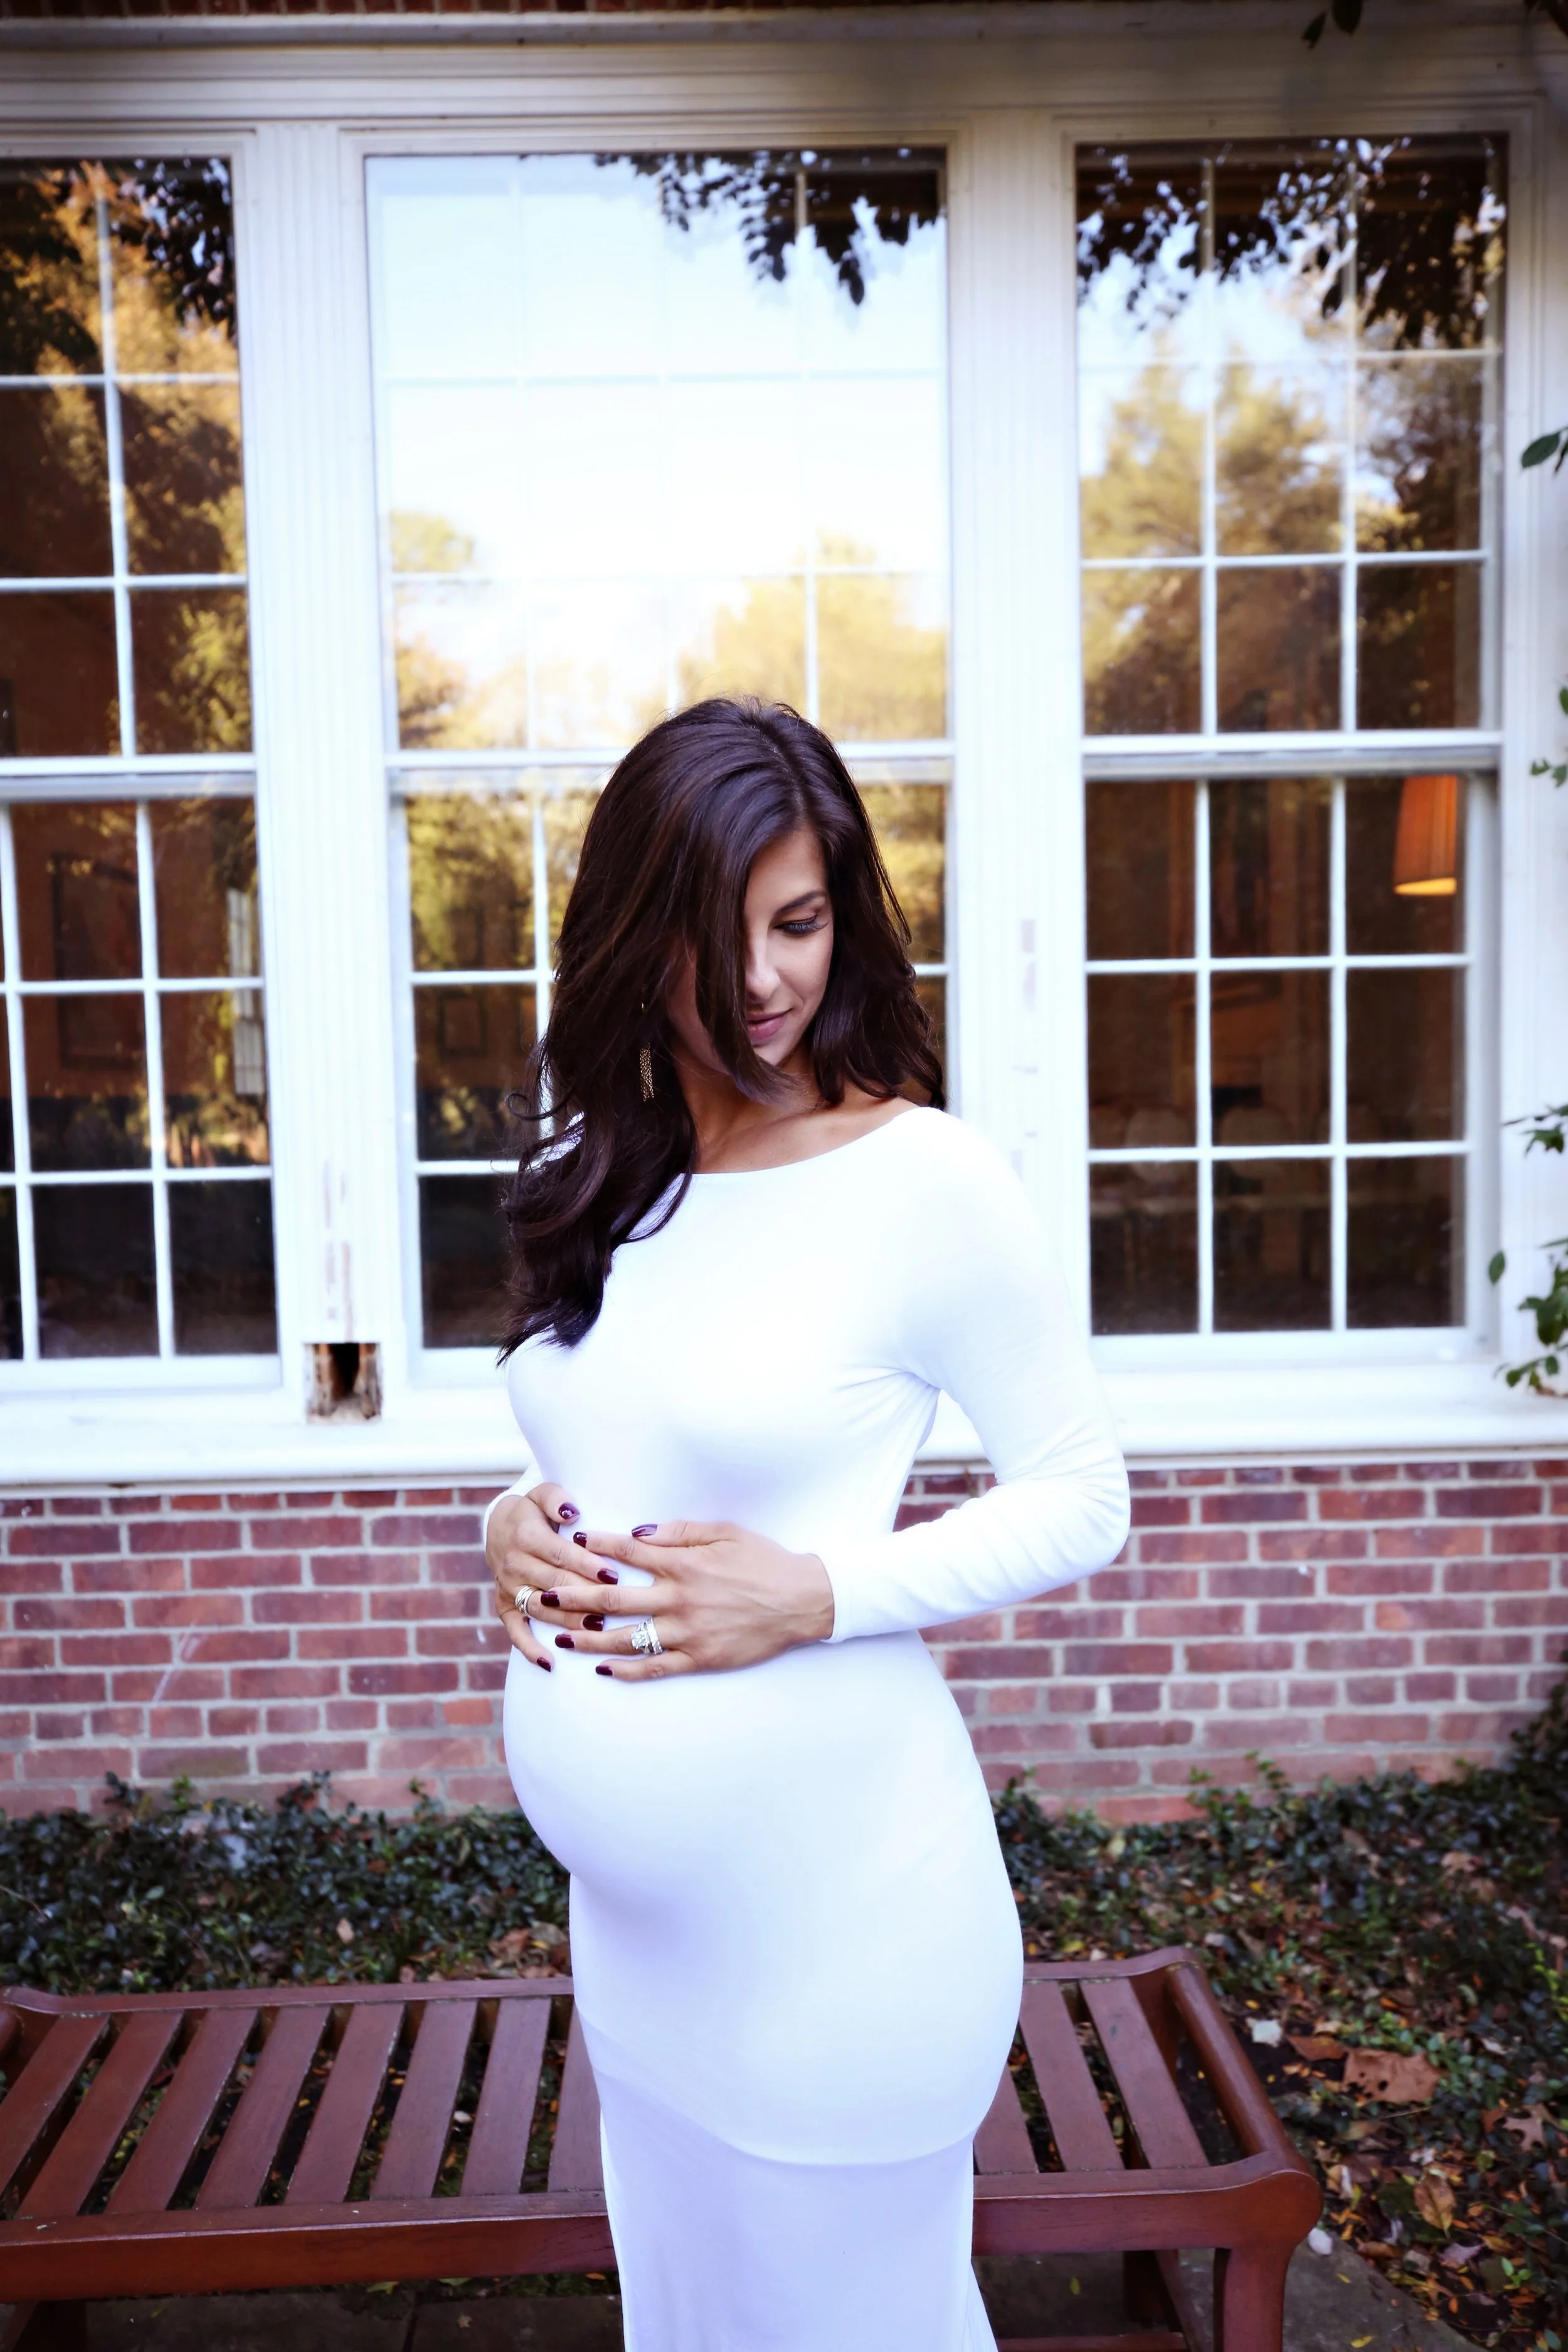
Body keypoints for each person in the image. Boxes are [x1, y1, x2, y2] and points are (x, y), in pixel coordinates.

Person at [482, 699, 1129, 2352]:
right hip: (642, 1951)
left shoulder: (922, 1179)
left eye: (799, 919)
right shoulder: (607, 1164)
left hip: (842, 1933)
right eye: (718, 933)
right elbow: (612, 1418)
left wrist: (820, 1592)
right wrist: (512, 1521)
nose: (768, 977)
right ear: (635, 930)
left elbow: (1079, 1493)